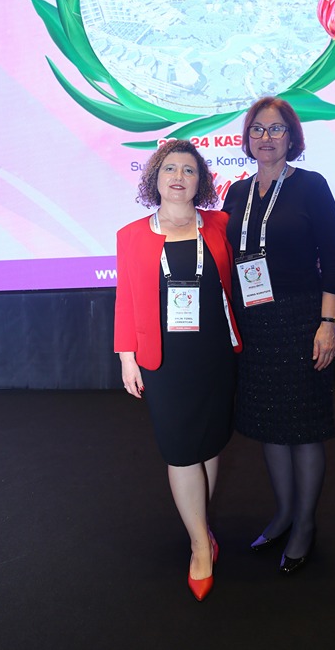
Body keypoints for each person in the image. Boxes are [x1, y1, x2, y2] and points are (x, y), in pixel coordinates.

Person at [114, 139, 242, 601]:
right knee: (180, 450)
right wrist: (126, 356)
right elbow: (126, 298)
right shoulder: (131, 235)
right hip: (165, 359)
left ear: (200, 181)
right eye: (170, 168)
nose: (179, 177)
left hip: (214, 353)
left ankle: (201, 529)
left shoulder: (220, 224)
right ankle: (199, 546)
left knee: (209, 442)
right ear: (155, 177)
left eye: (189, 170)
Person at [223, 97, 335, 575]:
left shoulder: (311, 186)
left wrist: (328, 325)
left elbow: (332, 262)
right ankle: (284, 514)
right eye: (258, 129)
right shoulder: (237, 192)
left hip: (300, 320)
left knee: (304, 428)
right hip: (255, 322)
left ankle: (305, 525)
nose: (266, 137)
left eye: (276, 129)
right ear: (247, 138)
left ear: (292, 137)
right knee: (269, 424)